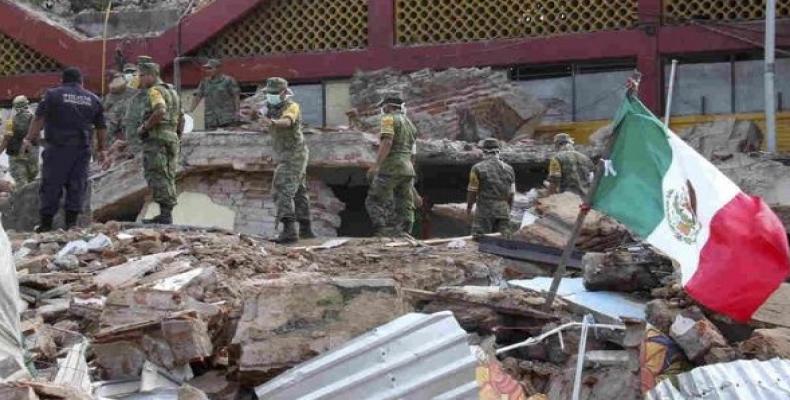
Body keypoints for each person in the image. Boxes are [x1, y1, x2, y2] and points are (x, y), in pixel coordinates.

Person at [23, 67, 107, 232]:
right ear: (81, 82)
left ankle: (46, 225)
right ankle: (71, 224)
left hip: (57, 148)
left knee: (51, 184)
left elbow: (39, 118)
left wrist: (28, 138)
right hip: (82, 151)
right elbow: (101, 127)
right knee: (77, 185)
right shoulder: (94, 99)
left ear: (62, 80)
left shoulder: (52, 95)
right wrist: (102, 148)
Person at [257, 77, 314, 243]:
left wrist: (272, 122)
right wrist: (257, 116)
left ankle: (289, 230)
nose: (271, 96)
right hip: (285, 154)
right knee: (299, 191)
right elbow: (260, 115)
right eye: (269, 93)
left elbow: (287, 122)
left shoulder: (292, 106)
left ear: (283, 93)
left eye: (274, 93)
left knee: (281, 188)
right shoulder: (268, 107)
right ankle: (306, 229)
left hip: (295, 154)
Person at [365, 91, 418, 237]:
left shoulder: (388, 119)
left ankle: (384, 231)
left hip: (391, 166)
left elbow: (387, 141)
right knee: (404, 202)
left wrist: (376, 165)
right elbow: (413, 152)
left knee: (375, 199)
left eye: (383, 106)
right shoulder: (410, 123)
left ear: (388, 106)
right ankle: (405, 231)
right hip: (408, 168)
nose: (382, 109)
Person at [137, 62, 183, 225]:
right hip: (172, 137)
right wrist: (177, 136)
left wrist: (144, 127)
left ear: (151, 75)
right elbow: (181, 118)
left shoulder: (155, 91)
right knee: (169, 175)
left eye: (141, 76)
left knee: (157, 174)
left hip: (157, 138)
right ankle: (166, 213)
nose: (140, 80)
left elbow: (160, 110)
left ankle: (165, 215)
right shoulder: (173, 92)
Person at [466, 138, 515, 238]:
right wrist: (508, 209)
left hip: (485, 211)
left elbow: (472, 191)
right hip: (503, 210)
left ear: (484, 151)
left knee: (480, 240)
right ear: (498, 151)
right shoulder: (509, 169)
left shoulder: (477, 168)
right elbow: (512, 193)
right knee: (504, 241)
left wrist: (469, 207)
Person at [190, 59, 240, 130]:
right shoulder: (205, 82)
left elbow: (236, 96)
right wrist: (190, 111)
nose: (208, 71)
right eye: (207, 69)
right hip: (211, 118)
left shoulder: (228, 81)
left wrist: (237, 112)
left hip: (226, 117)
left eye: (210, 68)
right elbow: (198, 96)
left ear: (218, 69)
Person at [0, 96, 39, 188]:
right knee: (32, 181)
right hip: (31, 155)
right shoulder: (33, 120)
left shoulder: (11, 121)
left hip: (16, 155)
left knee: (21, 182)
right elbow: (37, 138)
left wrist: (0, 150)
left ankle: (20, 198)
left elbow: (7, 138)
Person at [122, 56, 154, 156]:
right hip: (133, 149)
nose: (138, 77)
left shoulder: (156, 94)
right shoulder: (133, 97)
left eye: (141, 74)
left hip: (149, 150)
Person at [103, 63, 138, 144]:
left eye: (132, 72)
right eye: (127, 72)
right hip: (117, 126)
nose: (130, 75)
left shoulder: (137, 91)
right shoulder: (112, 94)